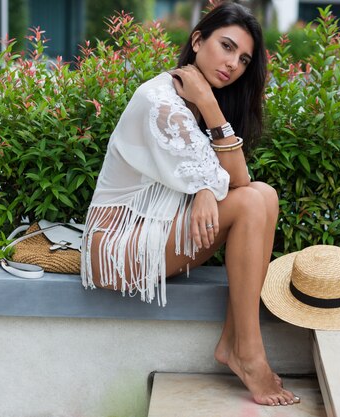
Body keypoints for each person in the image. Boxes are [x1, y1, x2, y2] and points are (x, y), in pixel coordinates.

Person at [80, 1, 299, 407]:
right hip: (117, 242)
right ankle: (247, 353)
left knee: (264, 197)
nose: (233, 64)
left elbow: (231, 180)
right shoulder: (160, 101)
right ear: (197, 40)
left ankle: (236, 344)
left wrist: (209, 116)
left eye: (244, 58)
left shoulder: (198, 97)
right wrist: (205, 180)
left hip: (157, 227)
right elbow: (236, 181)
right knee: (255, 201)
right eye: (227, 46)